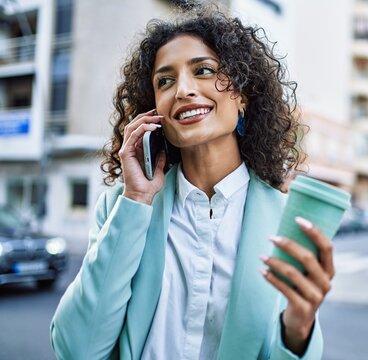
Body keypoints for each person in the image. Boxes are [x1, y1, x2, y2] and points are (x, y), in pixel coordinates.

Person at [51, 3, 335, 359]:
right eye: (164, 81)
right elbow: (76, 349)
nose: (183, 90)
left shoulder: (284, 220)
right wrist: (136, 201)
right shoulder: (121, 206)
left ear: (243, 95)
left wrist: (298, 329)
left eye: (203, 70)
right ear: (153, 108)